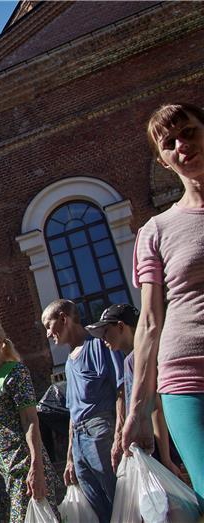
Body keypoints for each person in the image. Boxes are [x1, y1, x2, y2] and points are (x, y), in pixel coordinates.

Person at [122, 103, 204, 501]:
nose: (182, 145)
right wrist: (138, 408)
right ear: (164, 161)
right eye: (169, 143)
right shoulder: (156, 230)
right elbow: (150, 322)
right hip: (185, 377)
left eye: (189, 132)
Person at [0, 319, 60, 523]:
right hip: (8, 471)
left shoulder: (15, 372)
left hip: (25, 465)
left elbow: (30, 420)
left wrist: (37, 467)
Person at [42, 299, 124, 523]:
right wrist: (69, 456)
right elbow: (73, 411)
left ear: (63, 319)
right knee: (98, 508)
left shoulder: (99, 345)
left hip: (100, 430)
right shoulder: (69, 361)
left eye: (49, 326)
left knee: (119, 500)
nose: (49, 334)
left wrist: (119, 435)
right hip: (78, 440)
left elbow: (121, 389)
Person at [85, 303, 183, 478]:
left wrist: (166, 460)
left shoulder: (134, 359)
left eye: (106, 331)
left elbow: (154, 407)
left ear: (121, 326)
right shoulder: (137, 356)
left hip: (161, 446)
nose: (103, 339)